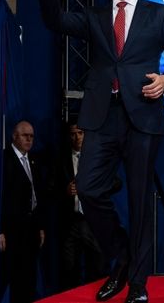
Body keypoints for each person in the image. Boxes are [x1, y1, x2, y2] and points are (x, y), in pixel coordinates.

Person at [39, 0, 164, 303]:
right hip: (102, 116)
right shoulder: (94, 16)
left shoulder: (159, 14)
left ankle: (137, 283)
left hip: (144, 116)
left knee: (140, 202)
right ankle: (123, 256)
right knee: (88, 189)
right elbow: (55, 21)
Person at [0, 120, 46, 303]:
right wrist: (0, 229)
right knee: (7, 275)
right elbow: (1, 198)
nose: (29, 139)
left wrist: (40, 226)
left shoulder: (33, 160)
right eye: (25, 135)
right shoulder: (4, 159)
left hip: (30, 229)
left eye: (32, 136)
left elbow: (37, 196)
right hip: (12, 230)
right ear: (14, 136)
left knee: (27, 278)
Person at [58, 123, 106, 290]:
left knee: (98, 266)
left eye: (80, 133)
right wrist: (64, 190)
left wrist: (94, 187)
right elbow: (48, 189)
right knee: (69, 269)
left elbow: (116, 183)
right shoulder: (61, 160)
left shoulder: (96, 158)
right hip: (70, 222)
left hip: (92, 221)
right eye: (73, 134)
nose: (77, 137)